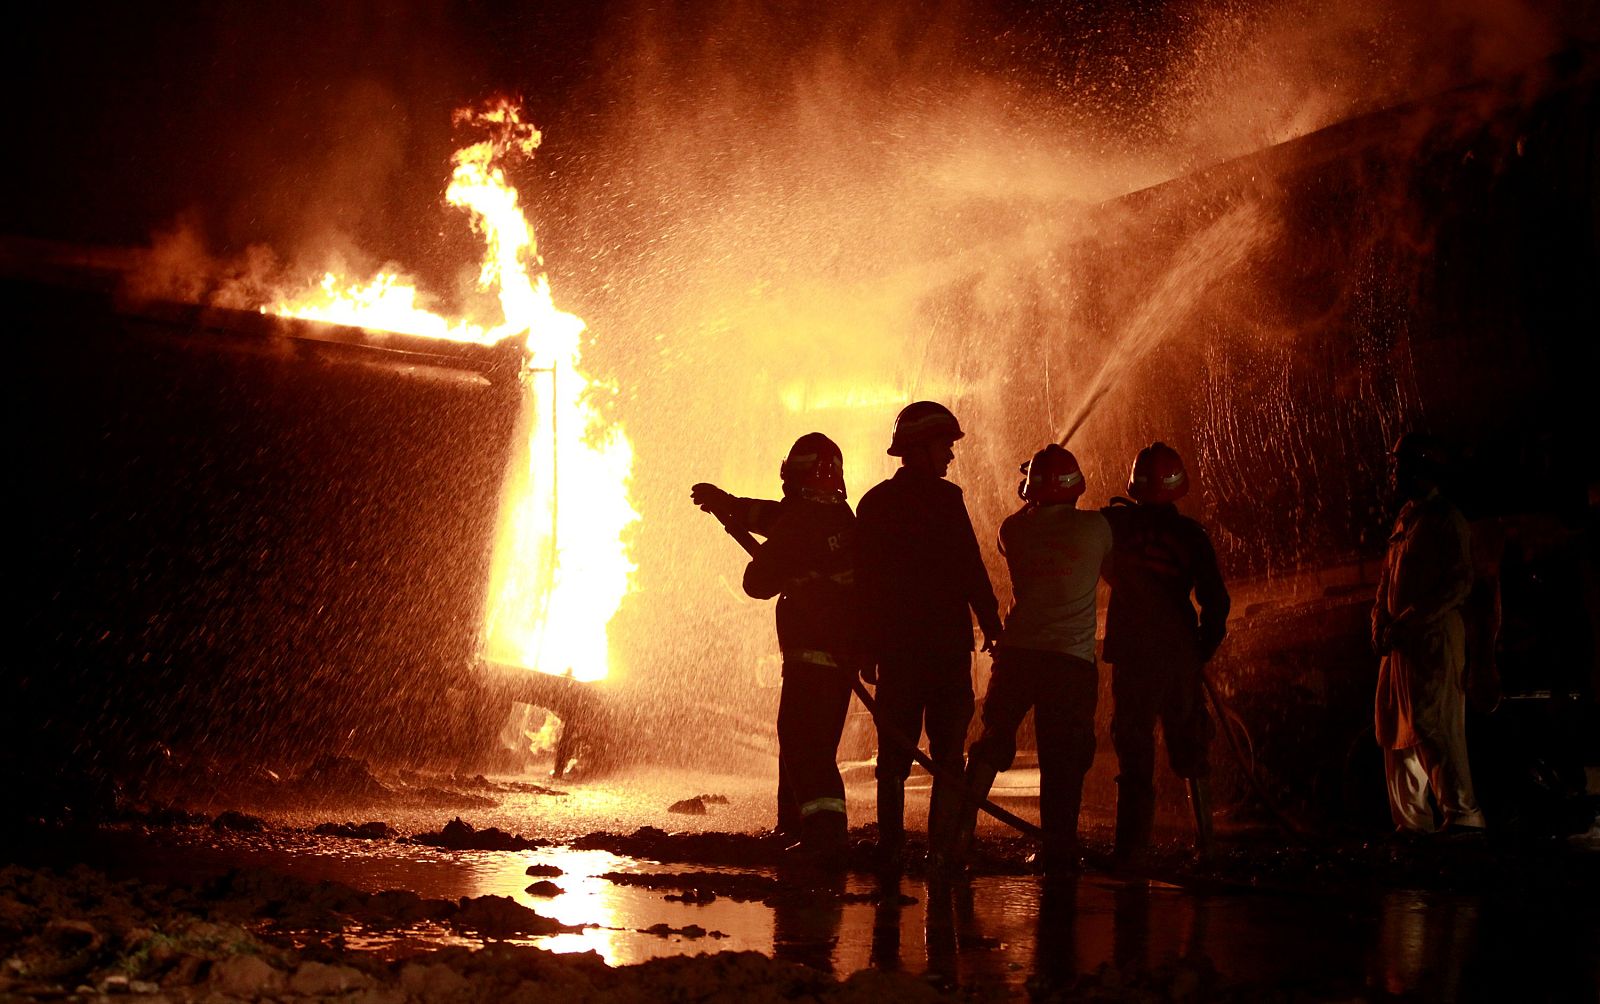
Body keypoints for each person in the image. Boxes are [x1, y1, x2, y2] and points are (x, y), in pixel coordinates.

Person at [693, 434, 861, 856]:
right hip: (839, 658)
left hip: (812, 655)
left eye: (791, 478)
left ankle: (824, 835)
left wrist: (771, 564)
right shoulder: (838, 515)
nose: (786, 486)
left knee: (804, 746)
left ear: (801, 477)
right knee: (806, 743)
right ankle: (795, 827)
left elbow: (757, 583)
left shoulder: (801, 522)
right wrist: (728, 504)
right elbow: (772, 516)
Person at [856, 401, 1002, 867]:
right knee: (948, 754)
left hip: (901, 652)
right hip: (944, 651)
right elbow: (970, 566)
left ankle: (890, 849)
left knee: (893, 756)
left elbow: (865, 584)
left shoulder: (875, 503)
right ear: (918, 448)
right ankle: (941, 852)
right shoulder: (947, 500)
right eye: (944, 445)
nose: (950, 455)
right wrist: (991, 623)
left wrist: (866, 647)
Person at [955, 445, 1112, 875]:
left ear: (1030, 490)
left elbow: (1021, 524)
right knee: (1064, 757)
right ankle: (1058, 848)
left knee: (993, 739)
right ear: (1077, 487)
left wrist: (1029, 493)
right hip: (1069, 662)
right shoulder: (1097, 528)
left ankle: (960, 834)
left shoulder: (1012, 530)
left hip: (1017, 656)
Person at [1101, 441, 1230, 863]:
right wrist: (1200, 650)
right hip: (1178, 657)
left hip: (1134, 657)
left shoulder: (1114, 528)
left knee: (1134, 750)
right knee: (1191, 747)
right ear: (1178, 486)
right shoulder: (1191, 536)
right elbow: (1216, 602)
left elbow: (1070, 531)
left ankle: (1131, 850)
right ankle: (1206, 845)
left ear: (1135, 485)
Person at [1371, 432, 1486, 836]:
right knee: (1396, 730)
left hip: (1432, 641)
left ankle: (1464, 817)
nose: (1394, 473)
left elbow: (1459, 582)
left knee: (1434, 727)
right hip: (1400, 645)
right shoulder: (1407, 517)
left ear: (1422, 468)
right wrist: (1379, 622)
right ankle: (1412, 824)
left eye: (1400, 465)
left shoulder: (1445, 519)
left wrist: (1409, 620)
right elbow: (1386, 580)